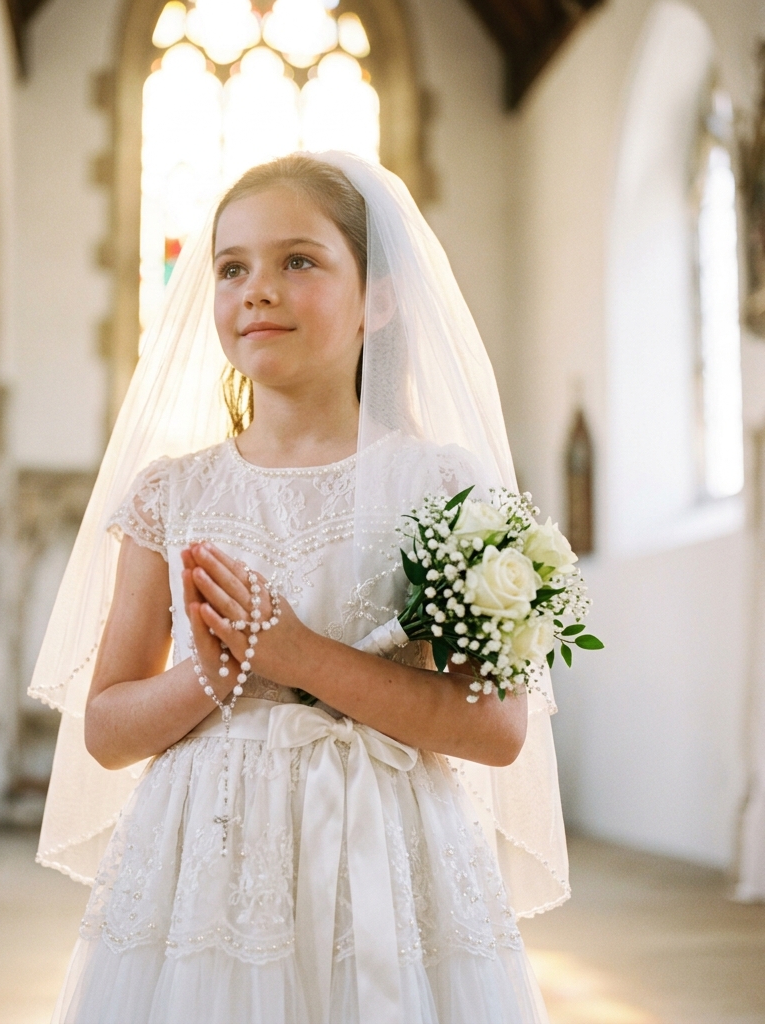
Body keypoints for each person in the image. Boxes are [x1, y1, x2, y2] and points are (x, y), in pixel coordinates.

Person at [30, 152, 568, 1024]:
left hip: (389, 855)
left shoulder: (442, 485)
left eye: (299, 261)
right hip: (209, 871)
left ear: (378, 301)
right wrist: (208, 677)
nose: (258, 291)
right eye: (232, 268)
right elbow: (107, 730)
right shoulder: (173, 494)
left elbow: (499, 729)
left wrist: (297, 656)